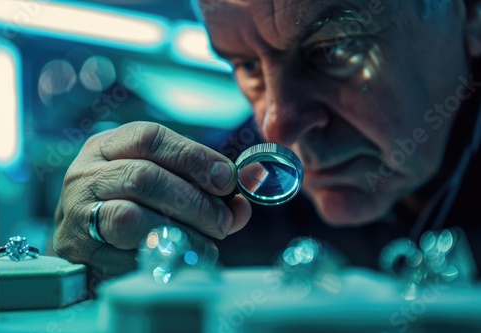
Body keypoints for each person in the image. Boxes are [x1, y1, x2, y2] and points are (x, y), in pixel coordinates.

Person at [52, 0, 481, 279]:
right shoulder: (224, 192)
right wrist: (90, 259)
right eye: (246, 66)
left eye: (333, 49)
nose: (275, 128)